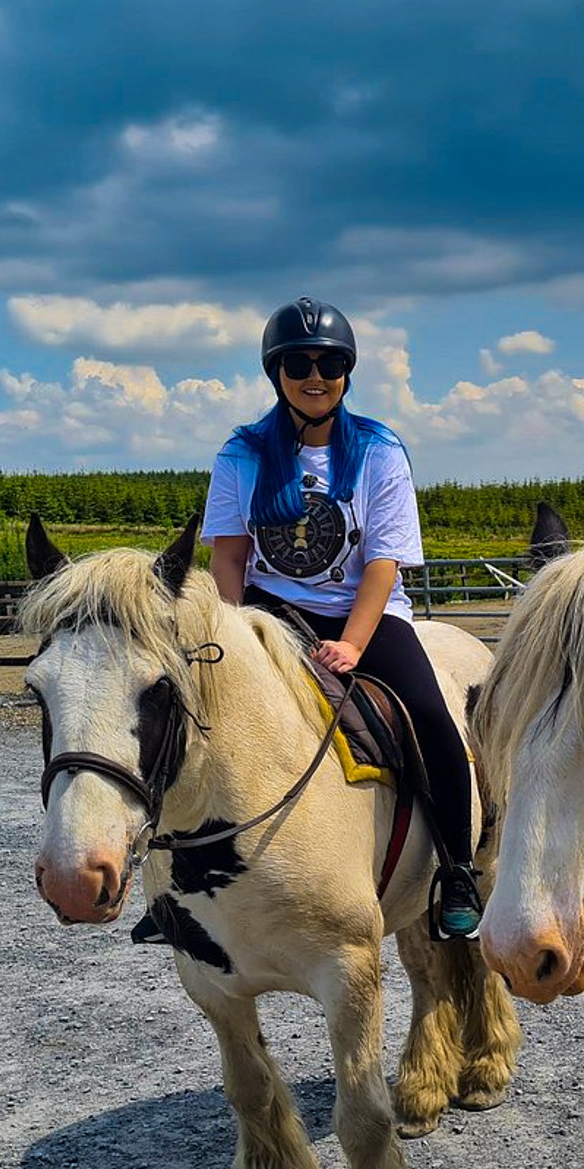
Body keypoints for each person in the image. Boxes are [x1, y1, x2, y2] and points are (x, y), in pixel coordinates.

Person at [201, 296, 484, 940]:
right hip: (271, 612)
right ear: (276, 373)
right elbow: (229, 558)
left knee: (433, 719)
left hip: (367, 614)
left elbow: (384, 564)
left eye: (328, 363)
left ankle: (458, 868)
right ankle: (181, 885)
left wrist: (353, 645)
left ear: (346, 371)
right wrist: (228, 635)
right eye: (298, 363)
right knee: (194, 712)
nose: (314, 375)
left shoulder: (380, 452)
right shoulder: (241, 455)